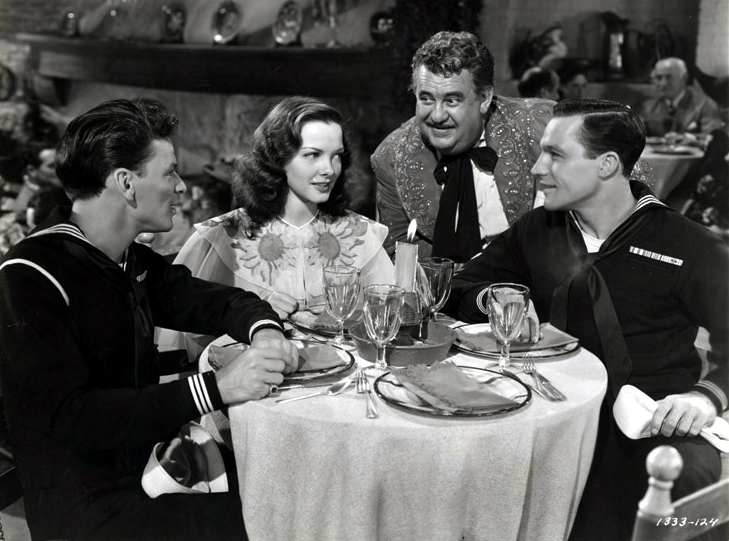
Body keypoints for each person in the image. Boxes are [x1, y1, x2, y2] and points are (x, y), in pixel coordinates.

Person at [0, 99, 299, 541]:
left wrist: (266, 330)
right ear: (126, 183)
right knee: (276, 519)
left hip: (147, 472)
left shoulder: (128, 259)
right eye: (170, 172)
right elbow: (73, 418)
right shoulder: (30, 274)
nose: (181, 187)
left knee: (285, 495)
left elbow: (219, 302)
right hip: (83, 513)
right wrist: (216, 389)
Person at [443, 98, 728, 541]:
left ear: (607, 165)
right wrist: (493, 296)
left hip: (647, 424)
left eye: (555, 155)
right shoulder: (537, 229)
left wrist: (704, 399)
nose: (537, 168)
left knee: (682, 489)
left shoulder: (688, 244)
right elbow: (460, 288)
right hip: (547, 415)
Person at [158, 96, 394, 361]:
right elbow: (185, 340)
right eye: (313, 155)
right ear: (278, 158)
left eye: (336, 156)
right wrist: (253, 314)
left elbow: (386, 322)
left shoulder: (359, 234)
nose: (329, 169)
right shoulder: (223, 235)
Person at [371, 31, 554, 262]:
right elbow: (396, 255)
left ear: (484, 99)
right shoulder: (390, 158)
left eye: (452, 100)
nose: (437, 116)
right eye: (426, 99)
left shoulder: (543, 126)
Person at [640, 57, 725, 138]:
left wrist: (691, 139)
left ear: (684, 78)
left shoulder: (704, 105)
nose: (663, 83)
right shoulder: (649, 106)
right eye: (659, 78)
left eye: (669, 77)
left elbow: (713, 137)